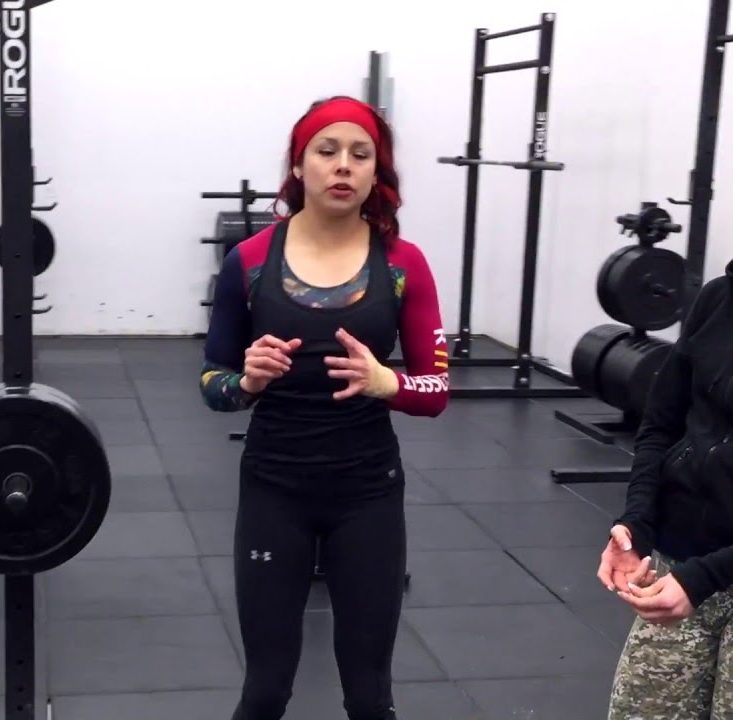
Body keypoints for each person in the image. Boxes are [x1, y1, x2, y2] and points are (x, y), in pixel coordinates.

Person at [199, 95, 449, 720]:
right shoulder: (248, 262)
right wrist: (246, 383)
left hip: (367, 491)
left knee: (369, 697)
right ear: (299, 164)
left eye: (360, 155)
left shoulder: (404, 265)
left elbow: (436, 390)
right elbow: (211, 381)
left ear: (375, 172)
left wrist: (386, 382)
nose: (343, 166)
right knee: (264, 692)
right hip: (273, 488)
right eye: (327, 150)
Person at [599, 124, 733, 719]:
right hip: (680, 564)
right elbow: (662, 421)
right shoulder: (722, 297)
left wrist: (707, 577)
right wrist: (636, 525)